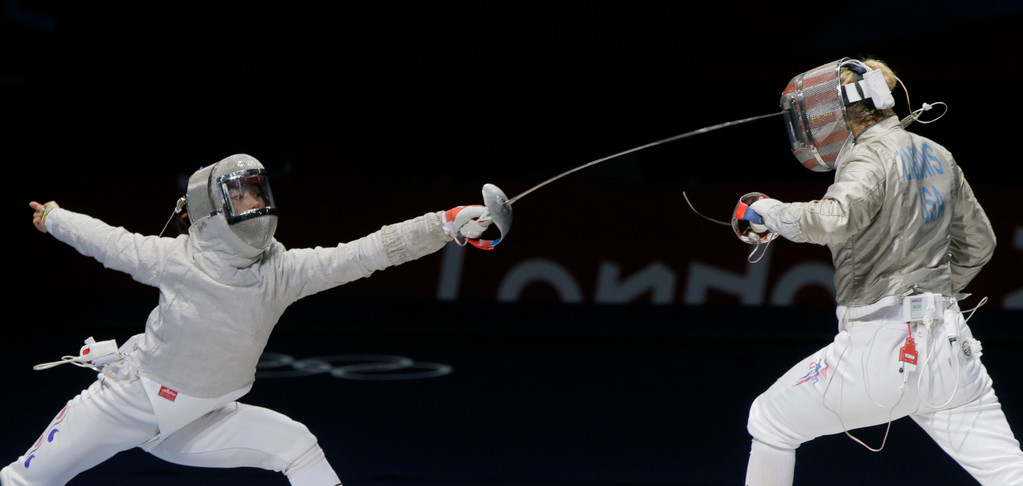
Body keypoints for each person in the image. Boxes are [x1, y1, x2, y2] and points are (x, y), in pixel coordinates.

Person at [5, 153, 494, 486]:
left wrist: (443, 224)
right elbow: (109, 242)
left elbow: (365, 253)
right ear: (213, 208)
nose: (255, 204)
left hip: (203, 417)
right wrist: (54, 218)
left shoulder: (281, 272)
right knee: (23, 480)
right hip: (131, 403)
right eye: (241, 196)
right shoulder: (177, 259)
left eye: (258, 193)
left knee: (298, 447)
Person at [738, 58, 1023, 485]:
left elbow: (835, 218)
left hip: (880, 350)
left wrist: (767, 212)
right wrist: (930, 292)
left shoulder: (869, 154)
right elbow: (981, 244)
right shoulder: (938, 154)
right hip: (950, 348)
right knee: (1008, 472)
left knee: (770, 421)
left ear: (840, 111)